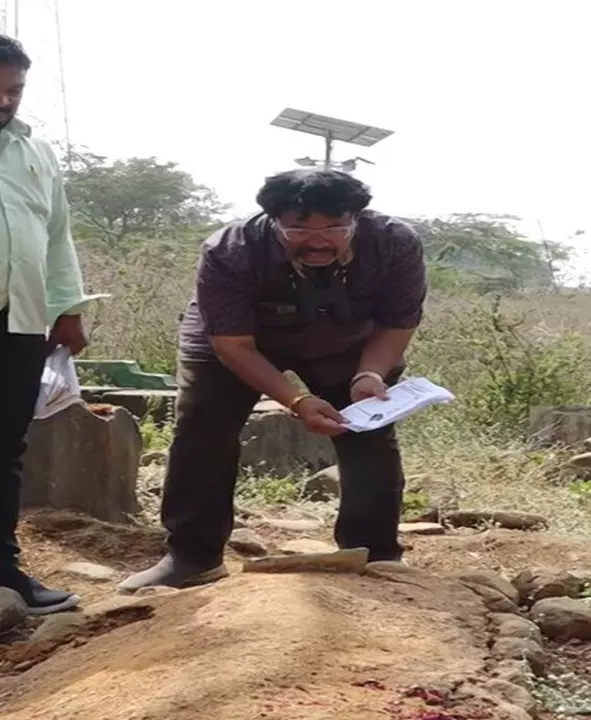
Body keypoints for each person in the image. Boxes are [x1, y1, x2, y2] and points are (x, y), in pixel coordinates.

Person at [118, 169, 427, 592]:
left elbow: (397, 322)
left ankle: (375, 554)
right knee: (203, 430)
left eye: (335, 229)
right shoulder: (231, 250)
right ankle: (192, 557)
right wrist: (297, 401)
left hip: (350, 341)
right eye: (298, 229)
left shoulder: (394, 243)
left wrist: (369, 373)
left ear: (357, 219)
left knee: (368, 432)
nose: (318, 241)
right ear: (273, 220)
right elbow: (233, 346)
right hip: (238, 340)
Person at [0, 35, 91, 614]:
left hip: (20, 321)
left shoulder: (35, 152)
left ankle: (3, 573)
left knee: (5, 448)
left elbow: (56, 236)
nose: (4, 102)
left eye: (13, 90)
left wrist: (69, 308)